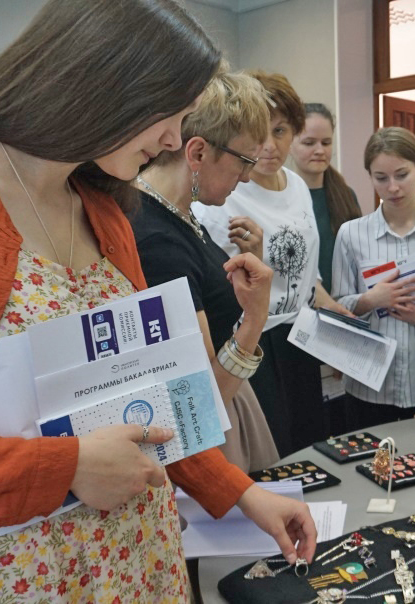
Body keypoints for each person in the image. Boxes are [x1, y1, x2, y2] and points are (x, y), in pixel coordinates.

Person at [0, 2, 316, 602]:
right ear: (107, 82)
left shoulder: (105, 209)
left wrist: (241, 493)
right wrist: (64, 469)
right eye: (169, 117)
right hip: (9, 576)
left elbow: (150, 398)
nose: (175, 140)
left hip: (139, 562)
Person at [131, 68, 279, 473]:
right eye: (243, 161)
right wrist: (255, 319)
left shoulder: (175, 216)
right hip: (213, 439)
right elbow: (201, 398)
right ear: (196, 153)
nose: (247, 176)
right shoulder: (158, 241)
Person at [194, 71, 349, 457]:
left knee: (311, 447)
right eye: (260, 133)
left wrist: (336, 316)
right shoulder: (224, 192)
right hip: (253, 339)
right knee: (270, 452)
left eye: (280, 131)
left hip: (301, 336)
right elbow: (214, 285)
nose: (269, 145)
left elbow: (306, 274)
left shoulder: (297, 185)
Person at [331, 127, 415, 430]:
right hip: (367, 386)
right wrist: (370, 300)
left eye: (402, 175)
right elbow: (336, 308)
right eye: (381, 178)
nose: (393, 188)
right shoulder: (352, 234)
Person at [290, 102, 361, 288]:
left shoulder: (346, 196)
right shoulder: (282, 197)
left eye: (326, 143)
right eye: (309, 143)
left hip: (344, 304)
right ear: (290, 143)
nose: (320, 150)